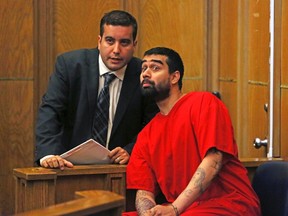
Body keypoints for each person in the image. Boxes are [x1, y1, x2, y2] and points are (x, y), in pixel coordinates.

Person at [124, 47, 261, 215]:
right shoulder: (146, 135)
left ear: (175, 77)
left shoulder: (204, 102)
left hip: (226, 204)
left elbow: (214, 161)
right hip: (183, 210)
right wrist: (148, 213)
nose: (146, 73)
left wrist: (174, 208)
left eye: (155, 68)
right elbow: (144, 190)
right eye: (143, 68)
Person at [35, 10, 159, 170]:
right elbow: (50, 112)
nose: (116, 50)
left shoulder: (143, 74)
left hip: (119, 171)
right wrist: (48, 154)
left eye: (124, 42)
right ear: (99, 41)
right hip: (68, 168)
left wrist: (131, 150)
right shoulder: (70, 65)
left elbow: (152, 124)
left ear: (134, 45)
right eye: (109, 41)